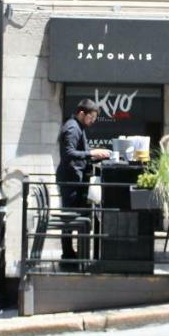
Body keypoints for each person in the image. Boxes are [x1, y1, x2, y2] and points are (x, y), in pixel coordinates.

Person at [56, 99, 110, 266]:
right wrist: (91, 153)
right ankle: (68, 255)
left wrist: (92, 156)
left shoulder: (77, 126)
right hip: (70, 179)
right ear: (82, 113)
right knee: (70, 218)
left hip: (73, 178)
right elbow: (68, 153)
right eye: (91, 117)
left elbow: (76, 153)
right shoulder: (73, 128)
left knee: (73, 217)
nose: (93, 121)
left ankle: (71, 253)